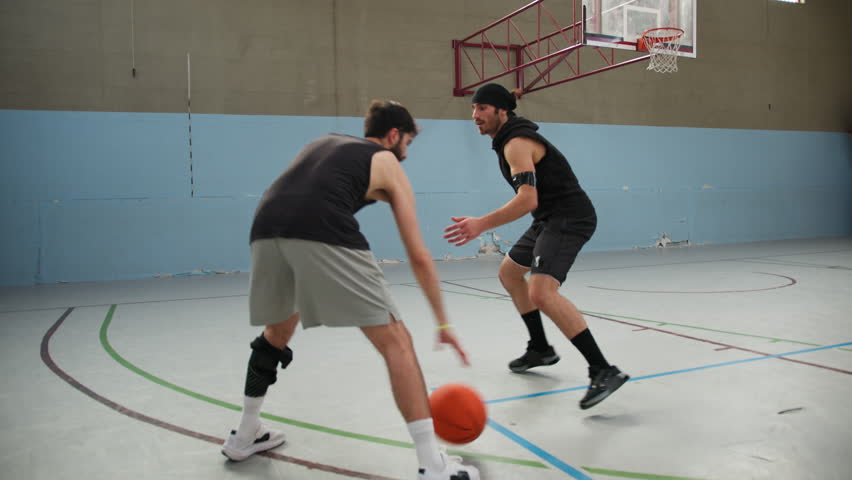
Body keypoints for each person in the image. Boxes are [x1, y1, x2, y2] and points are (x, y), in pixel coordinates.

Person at [222, 100, 479, 480]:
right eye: (407, 142)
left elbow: (305, 190)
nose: (406, 153)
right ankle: (433, 466)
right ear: (393, 135)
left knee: (276, 333)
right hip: (321, 226)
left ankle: (244, 435)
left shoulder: (324, 143)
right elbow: (419, 255)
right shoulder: (386, 160)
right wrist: (443, 324)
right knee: (397, 341)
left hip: (266, 226)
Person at [444, 83, 629, 410]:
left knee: (542, 293)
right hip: (548, 219)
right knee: (509, 274)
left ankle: (603, 369)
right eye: (473, 109)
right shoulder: (508, 141)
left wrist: (481, 225)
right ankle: (540, 348)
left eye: (482, 108)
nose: (474, 115)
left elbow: (528, 199)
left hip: (569, 218)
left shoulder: (516, 143)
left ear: (502, 110)